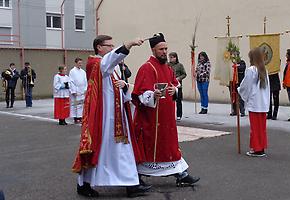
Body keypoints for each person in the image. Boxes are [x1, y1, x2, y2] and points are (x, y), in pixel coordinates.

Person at [72, 35, 150, 198]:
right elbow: (110, 60)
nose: (111, 48)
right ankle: (85, 184)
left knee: (119, 151)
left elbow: (115, 87)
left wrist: (124, 87)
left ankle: (131, 184)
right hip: (104, 118)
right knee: (98, 150)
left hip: (115, 117)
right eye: (109, 46)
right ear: (99, 47)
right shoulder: (96, 63)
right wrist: (128, 44)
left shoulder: (109, 67)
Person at [132, 33, 200, 187]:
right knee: (150, 148)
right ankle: (136, 177)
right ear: (153, 50)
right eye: (161, 49)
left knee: (170, 146)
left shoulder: (168, 68)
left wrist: (174, 91)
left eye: (166, 49)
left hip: (167, 118)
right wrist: (152, 95)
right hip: (151, 119)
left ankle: (181, 174)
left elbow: (176, 84)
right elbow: (139, 95)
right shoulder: (146, 68)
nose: (164, 52)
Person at [238, 47, 270, 157]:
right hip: (263, 103)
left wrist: (239, 90)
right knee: (261, 128)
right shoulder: (264, 70)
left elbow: (246, 86)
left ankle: (256, 149)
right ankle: (261, 147)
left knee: (255, 128)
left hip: (255, 103)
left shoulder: (251, 70)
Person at [168, 52, 187, 120]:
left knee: (178, 100)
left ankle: (179, 115)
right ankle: (170, 115)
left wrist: (178, 78)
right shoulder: (167, 65)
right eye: (170, 57)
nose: (171, 59)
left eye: (172, 57)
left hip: (178, 85)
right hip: (170, 85)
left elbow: (184, 74)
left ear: (176, 58)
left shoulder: (180, 65)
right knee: (170, 101)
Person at [69, 58, 87, 124]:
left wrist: (85, 89)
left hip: (82, 89)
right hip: (76, 90)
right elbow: (71, 81)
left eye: (81, 63)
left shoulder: (83, 71)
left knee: (81, 104)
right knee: (75, 104)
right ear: (76, 63)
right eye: (79, 63)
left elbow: (85, 80)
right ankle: (76, 118)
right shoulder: (72, 71)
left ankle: (80, 117)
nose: (80, 64)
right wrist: (73, 91)